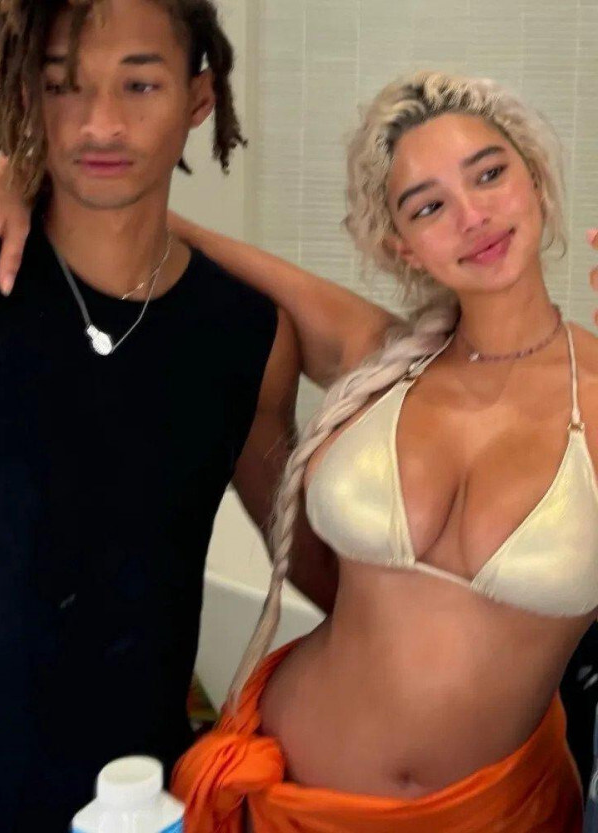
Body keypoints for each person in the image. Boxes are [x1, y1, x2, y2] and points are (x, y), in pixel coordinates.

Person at [0, 1, 396, 831]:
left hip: (134, 808)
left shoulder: (246, 334)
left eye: (139, 85)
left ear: (199, 99)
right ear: (27, 96)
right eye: (63, 85)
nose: (100, 123)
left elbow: (321, 570)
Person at [168, 72, 598, 832]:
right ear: (404, 245)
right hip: (280, 791)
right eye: (428, 206)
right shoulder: (384, 355)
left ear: (534, 177)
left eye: (489, 174)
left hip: (497, 815)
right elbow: (178, 242)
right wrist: (13, 181)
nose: (472, 217)